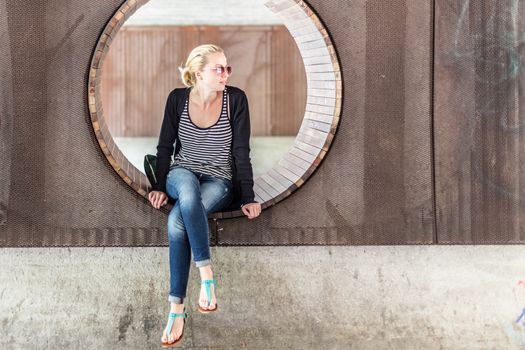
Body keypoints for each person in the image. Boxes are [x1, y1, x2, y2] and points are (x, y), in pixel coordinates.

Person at [147, 44, 262, 347]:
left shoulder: (235, 100)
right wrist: (159, 186)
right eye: (218, 69)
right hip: (181, 172)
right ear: (198, 74)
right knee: (186, 189)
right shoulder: (177, 99)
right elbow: (164, 147)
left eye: (228, 68)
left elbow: (241, 151)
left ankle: (176, 310)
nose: (226, 74)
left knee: (177, 222)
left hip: (219, 179)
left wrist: (248, 195)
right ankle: (207, 276)